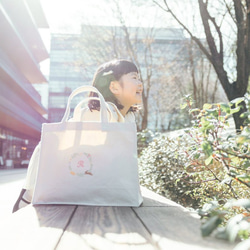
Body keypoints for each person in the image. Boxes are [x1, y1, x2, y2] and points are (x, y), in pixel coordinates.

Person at [12, 59, 143, 212]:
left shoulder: (127, 116)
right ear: (114, 86)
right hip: (52, 182)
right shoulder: (97, 114)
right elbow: (89, 157)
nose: (140, 83)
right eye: (134, 77)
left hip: (74, 184)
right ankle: (26, 199)